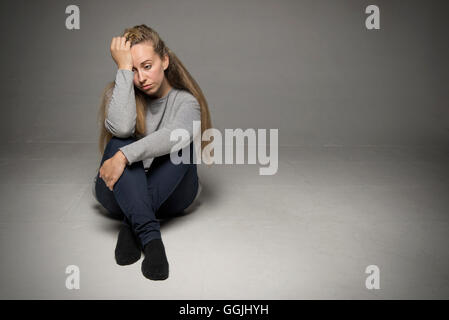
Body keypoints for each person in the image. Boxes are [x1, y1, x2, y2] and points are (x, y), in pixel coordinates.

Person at [92, 24, 213, 281]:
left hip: (173, 196)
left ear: (165, 60)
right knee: (118, 141)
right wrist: (123, 70)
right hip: (118, 191)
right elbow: (122, 127)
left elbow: (174, 135)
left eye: (147, 66)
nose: (141, 77)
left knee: (184, 147)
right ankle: (150, 237)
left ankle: (133, 225)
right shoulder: (123, 93)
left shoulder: (186, 102)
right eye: (133, 69)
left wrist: (125, 156)